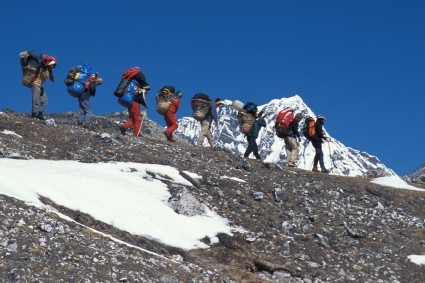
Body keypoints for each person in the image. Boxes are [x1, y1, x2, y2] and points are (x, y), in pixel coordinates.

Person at [119, 68, 150, 136]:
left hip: (128, 101)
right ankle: (136, 134)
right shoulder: (140, 87)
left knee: (132, 118)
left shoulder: (131, 82)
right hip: (135, 102)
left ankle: (124, 127)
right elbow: (142, 97)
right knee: (137, 119)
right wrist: (146, 105)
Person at [31, 55, 57, 120]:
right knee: (35, 100)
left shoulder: (48, 70)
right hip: (36, 84)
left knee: (45, 100)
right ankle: (34, 115)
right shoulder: (42, 66)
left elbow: (52, 78)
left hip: (40, 86)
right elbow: (40, 66)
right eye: (53, 65)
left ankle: (40, 114)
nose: (54, 67)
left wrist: (52, 77)